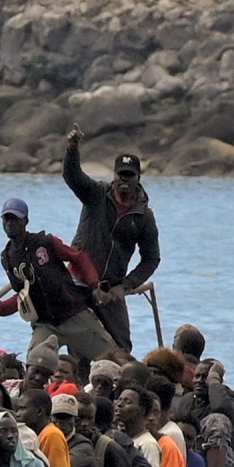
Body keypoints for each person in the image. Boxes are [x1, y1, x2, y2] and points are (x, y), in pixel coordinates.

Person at [0, 197, 117, 363]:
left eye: (15, 219)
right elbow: (21, 298)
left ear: (26, 221)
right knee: (34, 366)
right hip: (44, 324)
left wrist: (94, 285)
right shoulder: (7, 258)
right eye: (6, 219)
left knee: (111, 360)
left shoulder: (45, 243)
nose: (10, 223)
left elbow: (78, 257)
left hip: (73, 315)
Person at [62, 124, 160, 352]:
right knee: (78, 348)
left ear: (138, 178)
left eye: (129, 175)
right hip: (78, 281)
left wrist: (125, 286)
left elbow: (151, 259)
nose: (124, 180)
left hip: (111, 289)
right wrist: (72, 148)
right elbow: (72, 176)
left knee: (121, 347)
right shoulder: (95, 195)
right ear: (114, 176)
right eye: (120, 175)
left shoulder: (144, 216)